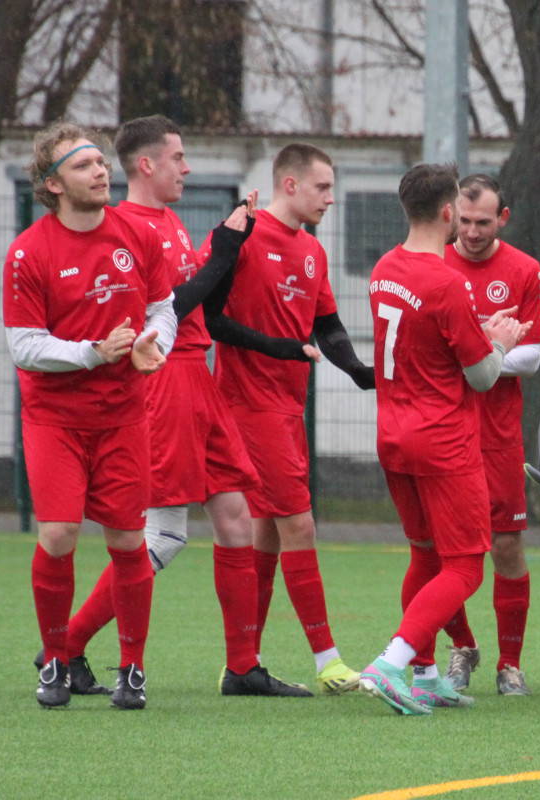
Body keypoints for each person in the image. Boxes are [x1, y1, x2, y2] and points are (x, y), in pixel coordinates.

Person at [55, 116, 311, 698]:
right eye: (178, 157)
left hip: (200, 379)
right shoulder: (121, 228)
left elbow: (198, 297)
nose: (186, 167)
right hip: (164, 381)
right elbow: (162, 311)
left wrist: (228, 243)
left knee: (236, 519)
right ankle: (65, 646)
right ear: (146, 165)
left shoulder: (169, 221)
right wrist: (224, 251)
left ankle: (244, 666)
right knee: (165, 536)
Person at [5, 121, 175, 710]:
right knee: (57, 535)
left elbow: (162, 305)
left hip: (124, 415)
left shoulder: (136, 233)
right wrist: (88, 353)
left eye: (101, 162)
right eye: (83, 166)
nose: (101, 172)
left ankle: (132, 669)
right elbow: (24, 345)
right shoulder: (29, 250)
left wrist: (157, 342)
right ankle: (55, 661)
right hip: (54, 417)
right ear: (52, 184)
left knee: (130, 541)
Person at [202, 143, 374, 696]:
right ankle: (328, 661)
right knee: (298, 524)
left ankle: (242, 664)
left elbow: (328, 326)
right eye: (323, 187)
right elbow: (211, 320)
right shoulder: (243, 234)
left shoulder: (313, 252)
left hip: (287, 406)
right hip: (246, 407)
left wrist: (360, 372)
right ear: (291, 184)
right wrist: (278, 348)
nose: (331, 197)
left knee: (269, 534)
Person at [359, 163, 530, 715]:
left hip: (392, 435)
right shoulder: (447, 282)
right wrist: (498, 341)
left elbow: (427, 347)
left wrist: (480, 334)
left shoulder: (385, 267)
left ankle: (427, 674)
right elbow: (481, 377)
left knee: (425, 557)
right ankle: (392, 663)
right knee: (464, 567)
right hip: (443, 441)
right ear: (447, 212)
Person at [438, 174, 540, 696]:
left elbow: (531, 356)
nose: (472, 231)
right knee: (447, 551)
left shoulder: (524, 270)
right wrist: (489, 345)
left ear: (502, 218)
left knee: (506, 545)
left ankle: (510, 664)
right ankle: (461, 648)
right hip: (445, 432)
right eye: (465, 221)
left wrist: (474, 353)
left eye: (483, 222)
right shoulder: (433, 264)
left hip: (499, 435)